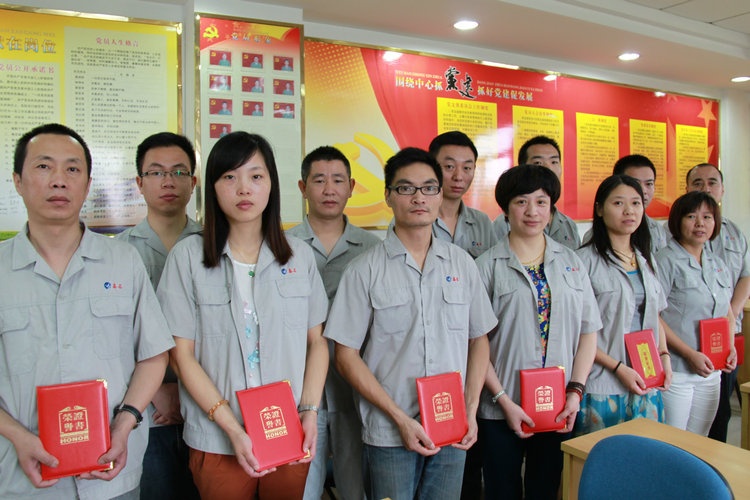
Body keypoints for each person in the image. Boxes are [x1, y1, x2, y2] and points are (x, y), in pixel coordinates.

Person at [0, 123, 173, 499]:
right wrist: (16, 436)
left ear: (88, 183)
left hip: (112, 474)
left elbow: (154, 355)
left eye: (72, 168)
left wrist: (126, 422)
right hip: (20, 478)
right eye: (44, 166)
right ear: (17, 181)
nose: (59, 180)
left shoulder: (123, 261)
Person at [158, 132, 329, 499]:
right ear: (212, 187)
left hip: (287, 429)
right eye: (229, 177)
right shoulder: (187, 258)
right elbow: (180, 355)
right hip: (217, 437)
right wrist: (233, 429)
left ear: (272, 184)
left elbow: (317, 342)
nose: (243, 188)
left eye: (256, 176)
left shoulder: (299, 256)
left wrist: (310, 410)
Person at [325, 147, 496, 500]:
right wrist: (399, 418)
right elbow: (345, 355)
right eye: (406, 188)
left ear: (440, 194)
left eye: (429, 188)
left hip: (452, 423)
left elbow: (479, 338)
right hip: (389, 431)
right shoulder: (364, 270)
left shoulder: (462, 264)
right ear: (388, 195)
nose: (419, 198)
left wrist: (470, 409)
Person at [475, 164, 600, 500]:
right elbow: (475, 343)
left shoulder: (572, 262)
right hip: (500, 407)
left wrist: (575, 391)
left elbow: (589, 331)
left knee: (545, 489)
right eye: (521, 202)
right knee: (502, 491)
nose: (532, 211)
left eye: (541, 202)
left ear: (552, 209)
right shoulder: (485, 267)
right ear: (505, 209)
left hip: (558, 404)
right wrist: (503, 400)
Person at [288, 146, 381, 500]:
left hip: (354, 390)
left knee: (356, 487)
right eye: (319, 180)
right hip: (298, 389)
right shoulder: (281, 247)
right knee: (302, 488)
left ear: (352, 187)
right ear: (302, 187)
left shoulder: (372, 249)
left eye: (338, 180)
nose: (329, 189)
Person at [116, 132, 201, 500]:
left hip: (210, 407)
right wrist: (155, 394)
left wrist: (186, 392)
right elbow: (115, 339)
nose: (168, 181)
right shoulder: (117, 254)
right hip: (143, 415)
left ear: (193, 182)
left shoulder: (217, 246)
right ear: (139, 182)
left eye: (179, 172)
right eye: (156, 172)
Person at [575, 175, 672, 435]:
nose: (629, 211)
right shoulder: (582, 261)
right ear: (599, 209)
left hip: (647, 376)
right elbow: (578, 331)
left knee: (647, 453)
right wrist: (618, 368)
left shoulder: (645, 258)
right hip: (603, 382)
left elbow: (655, 316)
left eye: (636, 203)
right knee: (601, 455)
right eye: (618, 203)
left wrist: (664, 355)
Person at [656, 191, 736, 436]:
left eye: (707, 217)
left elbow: (727, 311)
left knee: (699, 442)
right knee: (673, 442)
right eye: (691, 216)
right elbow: (654, 316)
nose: (700, 223)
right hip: (678, 370)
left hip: (712, 369)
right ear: (677, 221)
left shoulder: (717, 263)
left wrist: (730, 347)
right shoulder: (665, 260)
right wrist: (689, 354)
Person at [686, 163, 750, 442]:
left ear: (722, 189)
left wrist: (730, 315)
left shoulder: (734, 232)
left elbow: (746, 275)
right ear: (687, 189)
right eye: (697, 183)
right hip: (686, 338)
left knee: (720, 408)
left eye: (712, 182)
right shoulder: (672, 232)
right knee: (688, 415)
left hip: (728, 335)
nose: (705, 188)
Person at [493, 136, 581, 249]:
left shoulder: (569, 224)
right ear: (522, 168)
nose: (548, 168)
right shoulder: (503, 225)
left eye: (554, 162)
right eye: (538, 162)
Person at [429, 131, 497, 260]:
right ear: (431, 168)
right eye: (449, 166)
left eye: (466, 168)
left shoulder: (482, 222)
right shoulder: (415, 218)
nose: (458, 177)